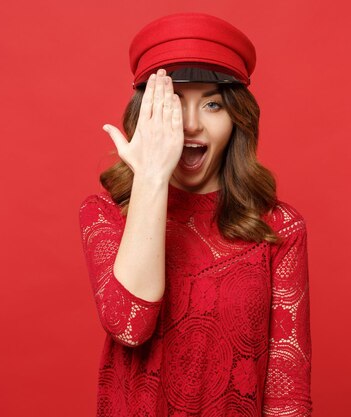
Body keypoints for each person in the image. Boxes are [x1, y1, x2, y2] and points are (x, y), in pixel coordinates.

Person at [79, 12, 313, 417]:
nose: (189, 125)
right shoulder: (105, 213)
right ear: (146, 116)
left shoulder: (278, 228)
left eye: (211, 104)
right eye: (172, 104)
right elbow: (130, 326)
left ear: (237, 118)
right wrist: (151, 178)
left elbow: (287, 390)